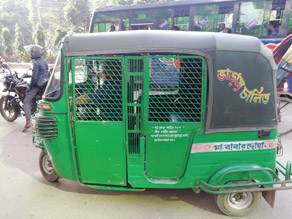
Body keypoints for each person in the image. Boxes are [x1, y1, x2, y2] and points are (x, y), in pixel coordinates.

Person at [23, 45, 48, 132]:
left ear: (35, 53)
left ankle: (28, 122)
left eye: (32, 52)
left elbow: (34, 78)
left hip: (38, 86)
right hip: (44, 85)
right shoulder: (44, 62)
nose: (31, 53)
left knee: (26, 101)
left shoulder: (36, 63)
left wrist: (30, 87)